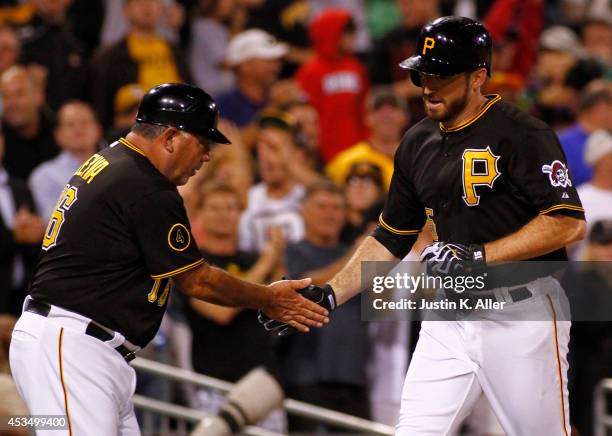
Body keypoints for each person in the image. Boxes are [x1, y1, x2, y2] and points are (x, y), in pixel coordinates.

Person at [262, 17, 587, 435]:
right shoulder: (417, 141)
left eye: (443, 75)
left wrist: (478, 257)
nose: (429, 85)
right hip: (450, 312)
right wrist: (329, 294)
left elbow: (566, 223)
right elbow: (389, 236)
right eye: (423, 73)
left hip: (521, 312)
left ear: (478, 77)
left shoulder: (522, 132)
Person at [9, 83, 329, 435]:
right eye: (203, 144)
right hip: (71, 342)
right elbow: (197, 280)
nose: (207, 156)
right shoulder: (144, 183)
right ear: (172, 138)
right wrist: (268, 298)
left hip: (85, 345)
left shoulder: (115, 161)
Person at [185, 181, 287, 432]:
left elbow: (284, 304)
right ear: (199, 214)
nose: (223, 214)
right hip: (214, 385)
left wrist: (276, 259)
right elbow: (221, 312)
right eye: (215, 208)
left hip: (261, 383)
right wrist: (266, 264)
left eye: (230, 208)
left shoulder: (253, 259)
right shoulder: (192, 266)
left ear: (240, 214)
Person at [281, 181, 370, 431]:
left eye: (337, 208)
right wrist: (358, 255)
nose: (330, 214)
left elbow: (393, 302)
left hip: (354, 375)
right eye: (321, 206)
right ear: (303, 211)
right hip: (306, 374)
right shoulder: (290, 251)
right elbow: (306, 284)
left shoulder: (353, 253)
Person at [89, 0, 191, 129]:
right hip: (135, 131)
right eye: (139, 2)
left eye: (154, 2)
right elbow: (102, 110)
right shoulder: (110, 57)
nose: (147, 6)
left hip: (179, 124)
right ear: (125, 10)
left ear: (161, 9)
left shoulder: (175, 51)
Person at [295, 8, 370, 162]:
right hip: (322, 153)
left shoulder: (356, 67)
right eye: (347, 32)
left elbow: (364, 108)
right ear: (332, 33)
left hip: (356, 149)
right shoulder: (310, 71)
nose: (352, 38)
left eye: (353, 32)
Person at [29, 100, 102, 222]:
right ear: (58, 135)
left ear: (98, 130)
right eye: (70, 124)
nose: (78, 129)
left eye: (84, 122)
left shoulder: (116, 168)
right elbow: (53, 222)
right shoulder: (44, 176)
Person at [326, 87, 408, 190]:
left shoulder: (418, 159)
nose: (386, 115)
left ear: (405, 117)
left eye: (393, 108)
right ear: (367, 118)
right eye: (378, 109)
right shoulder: (346, 161)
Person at [216, 29, 288, 127]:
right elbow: (231, 141)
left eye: (277, 61)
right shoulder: (223, 106)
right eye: (268, 61)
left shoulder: (283, 99)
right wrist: (273, 109)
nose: (276, 67)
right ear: (244, 66)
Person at [0, 65, 58, 179]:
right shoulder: (1, 140)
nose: (12, 103)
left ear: (39, 96)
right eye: (5, 96)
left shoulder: (60, 131)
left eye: (19, 94)